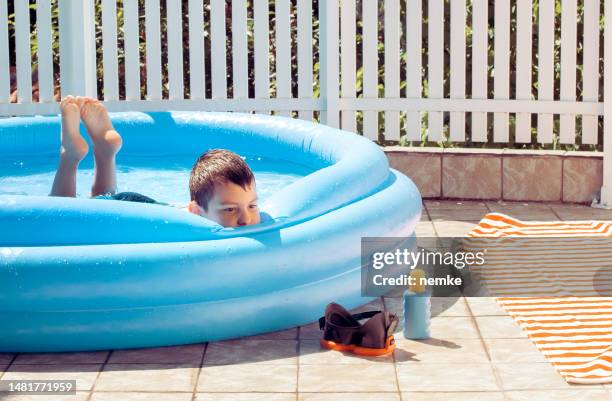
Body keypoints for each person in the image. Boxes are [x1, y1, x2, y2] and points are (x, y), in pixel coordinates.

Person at [50, 96, 261, 228]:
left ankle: (105, 154)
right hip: (129, 206)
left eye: (252, 206)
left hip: (134, 204)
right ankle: (69, 156)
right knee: (60, 218)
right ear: (196, 212)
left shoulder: (206, 215)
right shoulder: (189, 228)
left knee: (102, 201)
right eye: (230, 210)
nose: (246, 219)